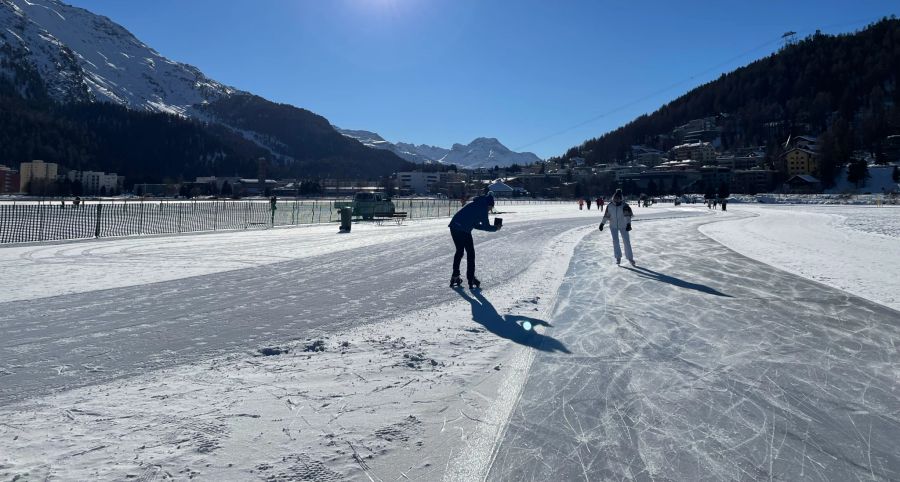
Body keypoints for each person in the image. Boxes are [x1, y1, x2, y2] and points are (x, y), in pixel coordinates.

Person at [448, 194, 500, 289]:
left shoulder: (475, 204)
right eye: (491, 207)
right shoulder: (483, 208)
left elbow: (475, 225)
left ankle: (455, 276)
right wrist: (495, 228)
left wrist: (492, 227)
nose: (490, 209)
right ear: (489, 204)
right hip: (463, 230)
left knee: (459, 251)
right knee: (470, 254)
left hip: (454, 226)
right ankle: (471, 278)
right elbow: (486, 227)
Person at [599, 189, 635, 266]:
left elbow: (627, 216)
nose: (617, 199)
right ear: (613, 197)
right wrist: (602, 224)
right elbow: (606, 216)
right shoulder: (610, 206)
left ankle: (630, 258)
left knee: (626, 241)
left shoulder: (624, 206)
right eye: (615, 197)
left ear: (621, 198)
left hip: (623, 225)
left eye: (618, 198)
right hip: (613, 226)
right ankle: (618, 257)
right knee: (615, 241)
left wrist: (628, 224)